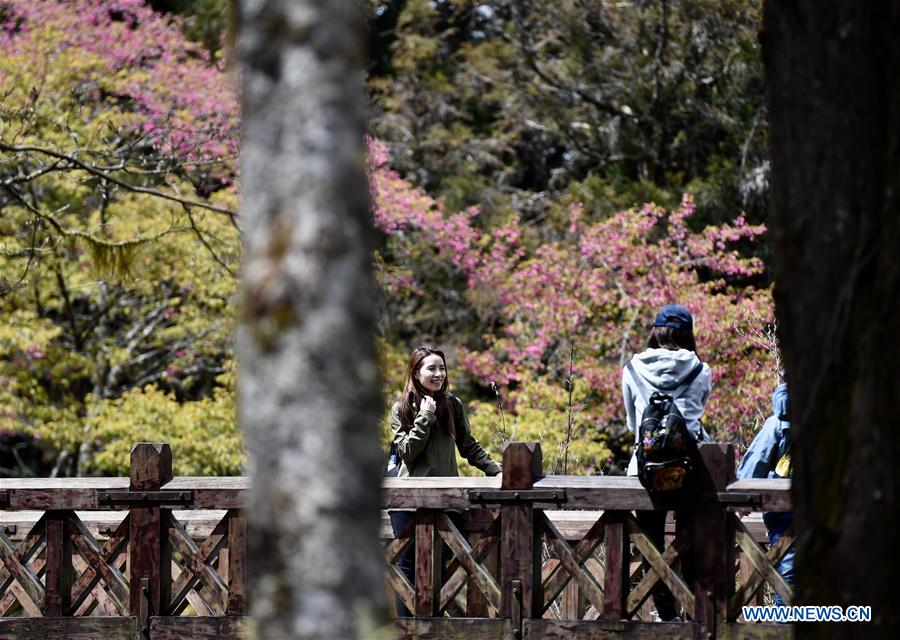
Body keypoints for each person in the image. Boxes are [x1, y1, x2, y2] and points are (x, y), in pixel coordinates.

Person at [388, 345, 501, 616]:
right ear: (416, 373)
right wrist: (425, 416)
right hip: (407, 502)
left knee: (438, 569)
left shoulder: (452, 405)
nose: (439, 374)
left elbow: (469, 446)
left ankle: (432, 630)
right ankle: (408, 633)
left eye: (442, 368)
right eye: (431, 368)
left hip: (446, 500)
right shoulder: (401, 408)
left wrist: (496, 470)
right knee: (406, 571)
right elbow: (407, 452)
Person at [622, 303, 712, 622]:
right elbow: (697, 416)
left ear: (656, 332)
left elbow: (633, 426)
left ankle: (665, 614)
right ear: (688, 334)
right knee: (691, 541)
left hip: (646, 470)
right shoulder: (701, 370)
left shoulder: (632, 369)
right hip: (690, 469)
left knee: (651, 543)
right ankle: (694, 613)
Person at [736, 383, 794, 606]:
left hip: (783, 509)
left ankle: (785, 623)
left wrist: (742, 498)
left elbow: (756, 461)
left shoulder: (777, 423)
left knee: (787, 575)